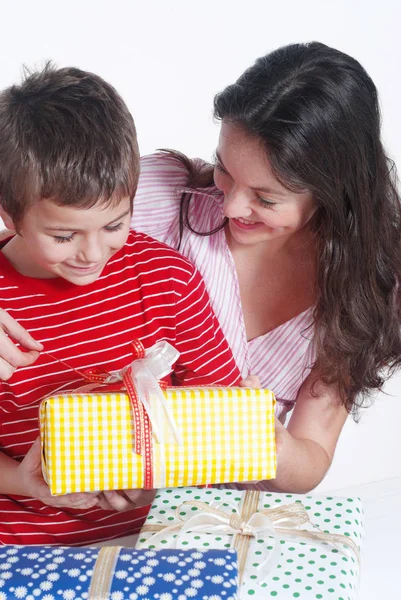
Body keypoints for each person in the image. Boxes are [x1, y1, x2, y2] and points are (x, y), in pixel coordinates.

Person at [131, 42, 401, 492]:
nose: (231, 204)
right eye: (225, 169)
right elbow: (34, 223)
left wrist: (263, 441)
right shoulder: (162, 196)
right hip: (78, 504)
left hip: (209, 522)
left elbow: (311, 455)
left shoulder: (364, 290)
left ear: (334, 193)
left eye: (266, 197)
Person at [0, 64, 242, 545]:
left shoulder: (165, 278)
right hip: (22, 545)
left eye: (114, 224)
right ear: (9, 214)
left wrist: (156, 478)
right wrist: (22, 482)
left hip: (158, 534)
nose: (92, 253)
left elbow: (222, 420)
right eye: (64, 235)